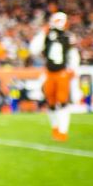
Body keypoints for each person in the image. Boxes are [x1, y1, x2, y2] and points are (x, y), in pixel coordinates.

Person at [30, 11, 79, 141]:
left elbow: (73, 54)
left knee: (62, 102)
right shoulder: (46, 35)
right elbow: (33, 49)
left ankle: (63, 132)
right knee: (50, 102)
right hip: (49, 72)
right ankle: (55, 128)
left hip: (62, 72)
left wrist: (74, 68)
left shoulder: (68, 37)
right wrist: (42, 33)